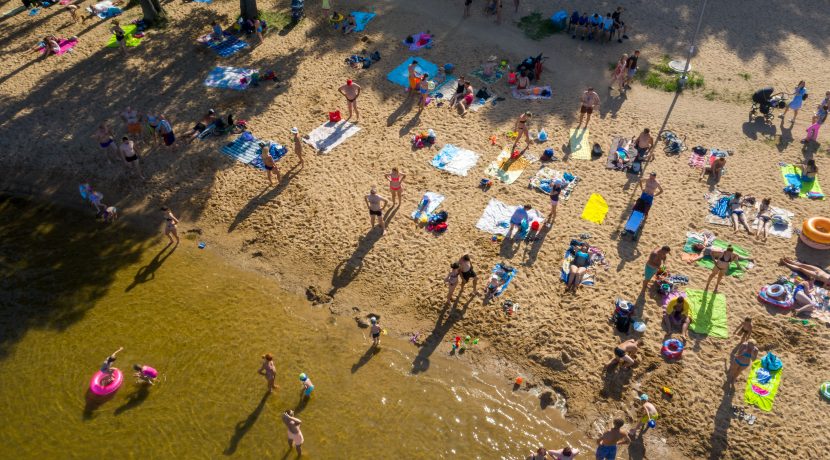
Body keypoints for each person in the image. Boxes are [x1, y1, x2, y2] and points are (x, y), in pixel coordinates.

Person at [686, 243, 753, 265]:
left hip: (723, 251)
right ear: (698, 248)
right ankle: (747, 259)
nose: (699, 244)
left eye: (698, 243)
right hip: (722, 254)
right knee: (735, 255)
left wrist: (704, 236)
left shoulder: (705, 245)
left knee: (735, 255)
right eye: (698, 245)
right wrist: (693, 260)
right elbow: (700, 257)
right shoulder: (703, 251)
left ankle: (746, 259)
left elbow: (705, 240)